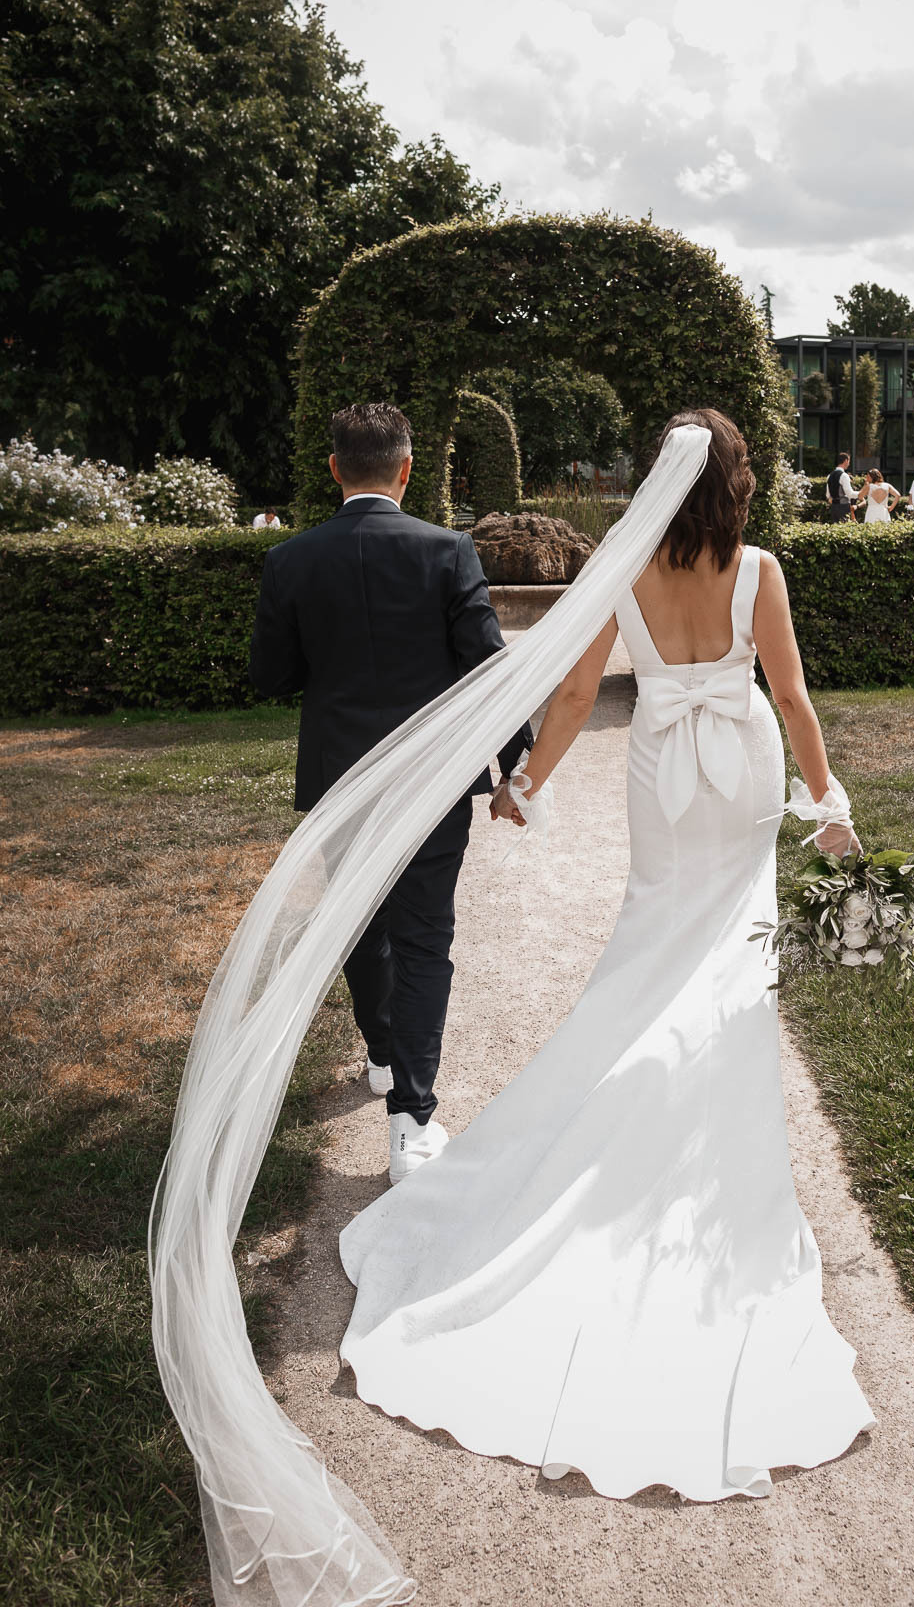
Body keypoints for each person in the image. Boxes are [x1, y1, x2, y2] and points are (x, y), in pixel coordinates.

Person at [152, 410, 874, 1605]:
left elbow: (579, 686)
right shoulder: (760, 570)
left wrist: (529, 784)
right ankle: (698, 1129)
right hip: (738, 764)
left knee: (648, 941)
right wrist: (828, 801)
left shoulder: (620, 568)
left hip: (661, 773)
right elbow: (790, 697)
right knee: (723, 960)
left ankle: (523, 1117)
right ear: (738, 483)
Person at [248, 402, 532, 1182]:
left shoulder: (292, 560)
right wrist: (515, 765)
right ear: (407, 469)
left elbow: (270, 676)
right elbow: (488, 666)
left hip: (342, 778)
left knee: (359, 923)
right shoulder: (449, 551)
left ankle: (381, 1050)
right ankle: (411, 1117)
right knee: (423, 938)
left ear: (334, 468)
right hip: (433, 779)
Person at [823, 449, 855, 522]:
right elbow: (849, 494)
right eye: (849, 461)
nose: (849, 464)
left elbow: (828, 495)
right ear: (846, 461)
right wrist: (860, 494)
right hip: (844, 507)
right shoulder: (844, 476)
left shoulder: (829, 475)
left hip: (834, 508)